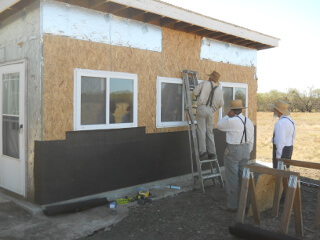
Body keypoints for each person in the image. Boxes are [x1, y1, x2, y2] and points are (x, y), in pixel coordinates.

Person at [216, 99, 254, 211]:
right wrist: (248, 151)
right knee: (244, 176)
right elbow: (251, 139)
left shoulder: (231, 121)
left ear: (232, 110)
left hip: (234, 150)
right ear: (241, 109)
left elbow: (219, 125)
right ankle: (246, 203)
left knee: (231, 177)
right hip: (246, 149)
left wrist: (228, 116)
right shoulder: (249, 121)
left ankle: (232, 205)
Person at [193, 70, 224, 160]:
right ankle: (212, 153)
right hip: (211, 111)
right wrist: (213, 108)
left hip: (201, 108)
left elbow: (195, 92)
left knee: (202, 131)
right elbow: (221, 103)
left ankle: (203, 153)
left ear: (210, 77)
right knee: (209, 132)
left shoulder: (204, 83)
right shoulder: (219, 89)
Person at [271, 100, 296, 169]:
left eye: (275, 109)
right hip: (289, 148)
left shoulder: (280, 123)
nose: (274, 111)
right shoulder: (291, 121)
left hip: (281, 150)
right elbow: (293, 136)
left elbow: (280, 141)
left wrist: (278, 156)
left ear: (278, 111)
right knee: (286, 171)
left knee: (279, 173)